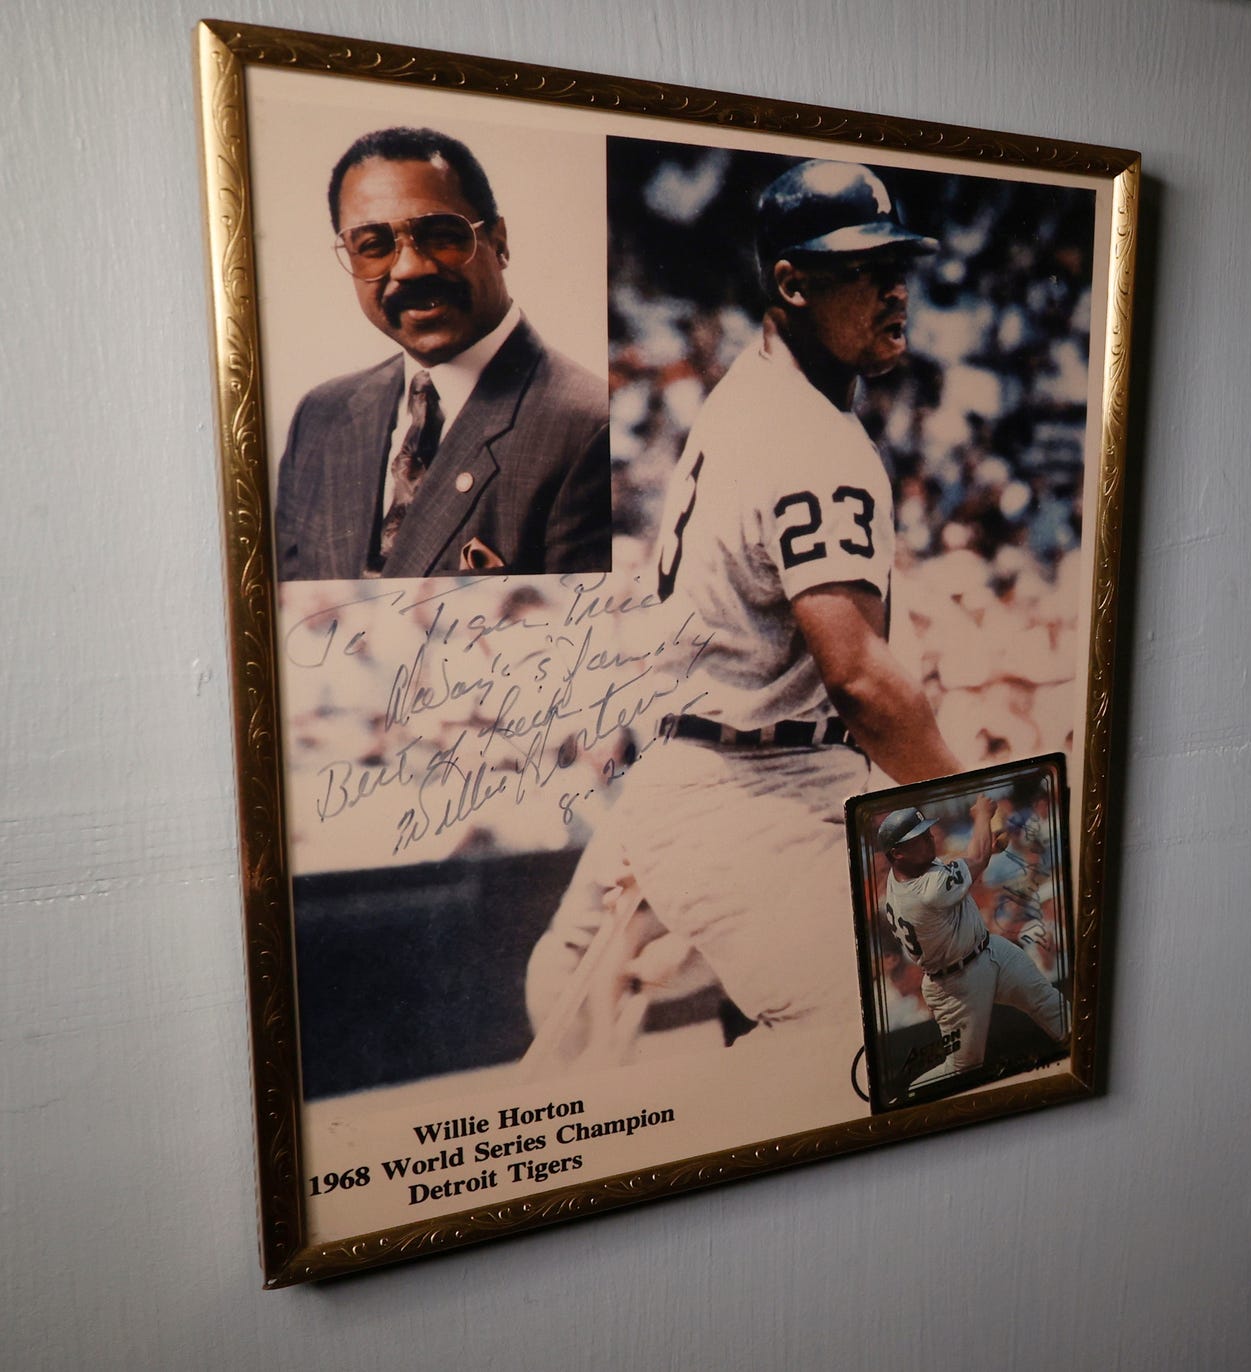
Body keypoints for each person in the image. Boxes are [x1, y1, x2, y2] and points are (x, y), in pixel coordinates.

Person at [525, 159, 961, 1074]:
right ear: (791, 284)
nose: (892, 291)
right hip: (751, 785)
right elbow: (860, 682)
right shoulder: (811, 438)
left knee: (566, 1004)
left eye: (898, 266)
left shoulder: (747, 394)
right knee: (884, 1025)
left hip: (709, 765)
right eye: (860, 270)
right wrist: (956, 820)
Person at [275, 126, 610, 580]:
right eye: (373, 246)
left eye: (441, 235)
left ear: (500, 242)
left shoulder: (586, 426)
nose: (411, 268)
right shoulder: (321, 417)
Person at [877, 798, 1068, 1086]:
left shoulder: (907, 871)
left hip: (989, 949)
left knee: (1053, 1006)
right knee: (962, 1068)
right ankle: (909, 1096)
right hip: (955, 983)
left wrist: (985, 848)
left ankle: (1088, 1055)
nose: (929, 839)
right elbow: (973, 863)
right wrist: (982, 817)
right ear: (897, 853)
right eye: (918, 838)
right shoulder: (924, 891)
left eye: (927, 831)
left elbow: (966, 863)